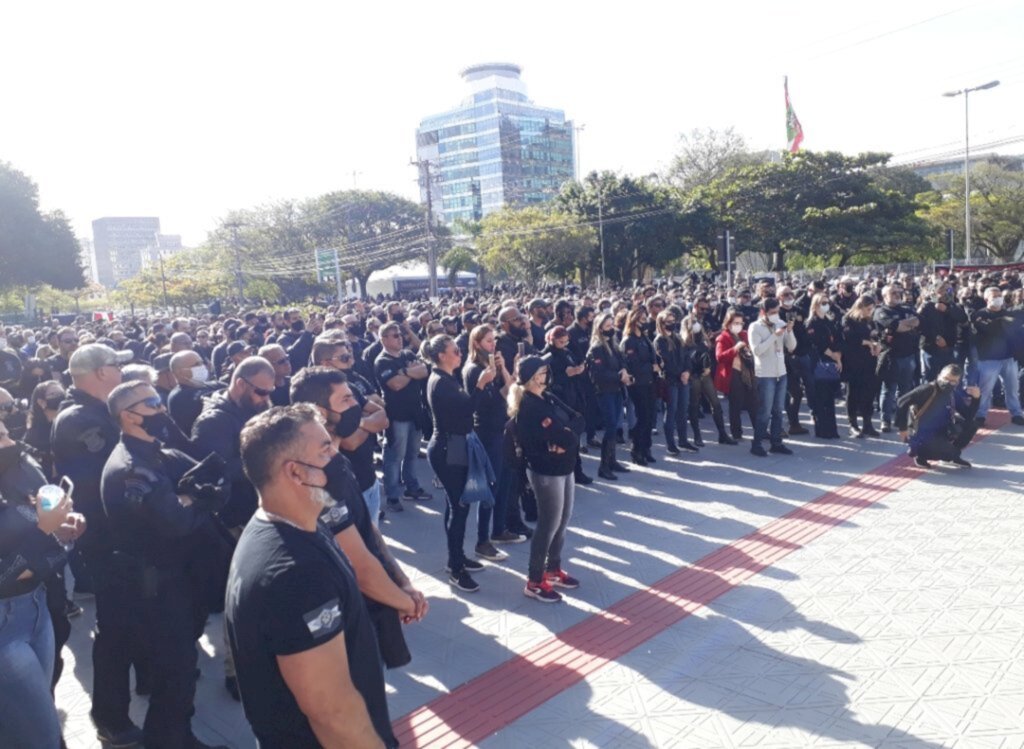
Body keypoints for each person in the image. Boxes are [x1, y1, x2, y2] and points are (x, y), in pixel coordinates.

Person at [226, 405, 397, 748]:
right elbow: (331, 711)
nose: (337, 454)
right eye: (325, 450)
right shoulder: (296, 575)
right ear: (295, 473)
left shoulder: (297, 522)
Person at [102, 382, 231, 749]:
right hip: (158, 585)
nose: (162, 409)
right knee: (175, 670)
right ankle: (170, 740)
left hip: (180, 577)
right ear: (129, 415)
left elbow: (215, 481)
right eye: (154, 403)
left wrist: (191, 497)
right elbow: (176, 521)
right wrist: (195, 498)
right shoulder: (131, 467)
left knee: (178, 664)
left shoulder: (158, 452)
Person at [288, 367, 427, 669]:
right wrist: (404, 599)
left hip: (370, 608)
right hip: (342, 617)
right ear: (319, 413)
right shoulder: (315, 477)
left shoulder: (338, 462)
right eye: (347, 400)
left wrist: (401, 580)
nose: (356, 406)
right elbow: (358, 562)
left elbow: (368, 531)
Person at [51, 343, 147, 747]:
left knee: (139, 618)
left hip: (127, 538)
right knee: (116, 629)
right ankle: (110, 718)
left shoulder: (96, 412)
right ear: (101, 373)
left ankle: (148, 675)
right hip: (108, 541)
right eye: (116, 366)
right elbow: (109, 480)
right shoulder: (80, 419)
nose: (122, 372)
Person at [191, 356, 275, 700]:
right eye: (260, 392)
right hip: (231, 522)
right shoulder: (213, 422)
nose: (266, 398)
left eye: (270, 392)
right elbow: (220, 471)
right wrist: (270, 456)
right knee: (239, 601)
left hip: (258, 513)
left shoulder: (250, 408)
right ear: (240, 383)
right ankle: (235, 673)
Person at [0, 460, 81, 749]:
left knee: (31, 718)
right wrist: (42, 533)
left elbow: (38, 555)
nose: (10, 441)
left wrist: (61, 531)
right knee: (42, 733)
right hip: (5, 632)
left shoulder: (14, 476)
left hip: (37, 607)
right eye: (1, 436)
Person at [424, 335, 496, 592]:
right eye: (455, 351)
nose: (460, 354)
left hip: (453, 444)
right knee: (460, 506)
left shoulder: (446, 377)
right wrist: (480, 385)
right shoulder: (441, 382)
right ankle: (456, 568)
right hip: (448, 448)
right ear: (441, 355)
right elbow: (467, 411)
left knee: (455, 505)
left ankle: (456, 557)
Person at [510, 356, 583, 603]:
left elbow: (578, 420)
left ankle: (552, 568)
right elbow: (556, 437)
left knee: (563, 520)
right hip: (546, 471)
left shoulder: (548, 397)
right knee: (548, 524)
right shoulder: (530, 405)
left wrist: (565, 436)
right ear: (531, 377)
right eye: (541, 372)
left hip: (565, 466)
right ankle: (534, 579)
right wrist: (564, 437)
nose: (546, 376)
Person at [464, 325, 524, 549]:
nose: (493, 345)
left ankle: (499, 529)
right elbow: (481, 403)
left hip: (502, 427)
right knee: (492, 485)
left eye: (494, 341)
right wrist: (486, 379)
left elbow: (508, 391)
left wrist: (508, 369)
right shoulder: (473, 369)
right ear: (477, 343)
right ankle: (483, 538)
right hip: (487, 431)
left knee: (506, 481)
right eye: (489, 341)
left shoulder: (491, 365)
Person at [375, 322, 432, 513]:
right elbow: (396, 384)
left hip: (415, 413)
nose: (400, 338)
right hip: (397, 415)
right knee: (394, 456)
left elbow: (424, 371)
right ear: (383, 339)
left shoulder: (408, 354)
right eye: (394, 335)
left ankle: (412, 487)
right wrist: (410, 372)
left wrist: (405, 372)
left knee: (412, 453)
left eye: (400, 334)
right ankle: (392, 496)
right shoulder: (382, 361)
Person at [896, 364, 981, 468]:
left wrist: (976, 399)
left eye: (952, 381)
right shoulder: (927, 389)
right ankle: (921, 456)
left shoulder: (952, 393)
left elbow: (968, 415)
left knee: (971, 425)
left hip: (941, 430)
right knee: (941, 448)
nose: (948, 383)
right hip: (922, 434)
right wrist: (902, 428)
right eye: (945, 378)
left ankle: (951, 456)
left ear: (958, 382)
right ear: (939, 375)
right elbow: (902, 402)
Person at [541, 325, 593, 483]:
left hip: (572, 397)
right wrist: (565, 375)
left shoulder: (567, 351)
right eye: (560, 341)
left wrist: (579, 369)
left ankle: (576, 471)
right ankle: (568, 472)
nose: (564, 343)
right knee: (564, 438)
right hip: (559, 399)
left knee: (573, 438)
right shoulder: (547, 356)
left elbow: (576, 362)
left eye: (565, 340)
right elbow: (548, 379)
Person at [748, 298, 796, 457]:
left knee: (778, 410)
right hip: (765, 374)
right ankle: (757, 443)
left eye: (777, 311)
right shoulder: (755, 327)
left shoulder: (780, 322)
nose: (776, 315)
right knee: (765, 411)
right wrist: (774, 336)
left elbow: (791, 347)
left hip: (781, 373)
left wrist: (789, 331)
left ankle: (776, 442)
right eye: (772, 312)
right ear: (764, 312)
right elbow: (757, 351)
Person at [587, 312, 631, 481]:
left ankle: (612, 460)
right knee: (611, 426)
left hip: (616, 390)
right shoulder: (597, 348)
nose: (611, 329)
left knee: (615, 425)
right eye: (607, 326)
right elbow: (598, 374)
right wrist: (618, 376)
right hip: (604, 391)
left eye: (612, 325)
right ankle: (604, 466)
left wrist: (625, 372)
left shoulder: (614, 345)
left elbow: (622, 362)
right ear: (599, 329)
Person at [971, 287, 1024, 427]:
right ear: (986, 299)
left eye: (1000, 295)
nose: (998, 298)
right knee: (985, 390)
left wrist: (1001, 322)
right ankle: (980, 415)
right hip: (988, 359)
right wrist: (1002, 322)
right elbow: (989, 329)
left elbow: (1014, 325)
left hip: (1009, 358)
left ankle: (1016, 413)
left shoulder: (1007, 312)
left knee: (1012, 387)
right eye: (994, 296)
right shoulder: (980, 314)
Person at [682, 312, 735, 447]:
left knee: (716, 403)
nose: (696, 325)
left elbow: (708, 354)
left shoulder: (702, 338)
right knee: (694, 405)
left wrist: (708, 366)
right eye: (693, 323)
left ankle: (722, 433)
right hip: (694, 375)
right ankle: (697, 435)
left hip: (705, 375)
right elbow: (686, 359)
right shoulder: (684, 342)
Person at [874, 285, 920, 432]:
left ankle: (901, 419)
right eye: (892, 293)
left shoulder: (906, 308)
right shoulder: (881, 311)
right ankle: (885, 421)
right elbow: (896, 326)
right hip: (891, 356)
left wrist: (903, 325)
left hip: (909, 355)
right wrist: (906, 325)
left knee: (905, 391)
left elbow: (918, 321)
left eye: (898, 292)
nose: (897, 295)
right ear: (884, 296)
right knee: (888, 390)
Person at [655, 309, 698, 454]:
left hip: (682, 379)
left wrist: (687, 371)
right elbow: (666, 362)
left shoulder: (678, 338)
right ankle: (670, 444)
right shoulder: (659, 340)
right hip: (670, 380)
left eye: (673, 321)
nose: (672, 324)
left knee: (682, 411)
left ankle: (683, 441)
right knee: (671, 411)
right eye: (668, 322)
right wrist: (680, 374)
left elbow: (686, 357)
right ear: (661, 323)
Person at [620, 307, 658, 466]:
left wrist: (657, 364)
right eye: (641, 318)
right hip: (638, 384)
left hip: (650, 382)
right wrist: (651, 367)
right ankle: (637, 450)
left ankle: (646, 448)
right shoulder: (628, 341)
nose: (645, 321)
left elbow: (651, 357)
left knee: (650, 417)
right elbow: (632, 365)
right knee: (642, 417)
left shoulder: (645, 338)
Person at [841, 295, 882, 437]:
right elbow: (849, 337)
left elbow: (876, 335)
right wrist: (867, 343)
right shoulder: (848, 319)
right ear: (861, 307)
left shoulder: (869, 321)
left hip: (869, 361)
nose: (870, 311)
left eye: (872, 309)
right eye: (868, 309)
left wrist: (876, 344)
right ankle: (853, 424)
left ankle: (867, 423)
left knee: (868, 392)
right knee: (853, 393)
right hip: (853, 361)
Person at [805, 293, 842, 439]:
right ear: (815, 305)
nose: (826, 305)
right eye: (822, 303)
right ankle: (822, 430)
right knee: (821, 398)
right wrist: (832, 354)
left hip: (831, 361)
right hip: (818, 362)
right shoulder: (811, 323)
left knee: (830, 398)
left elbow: (836, 338)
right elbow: (816, 343)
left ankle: (832, 429)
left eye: (827, 302)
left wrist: (837, 355)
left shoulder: (828, 320)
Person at [715, 310, 756, 442]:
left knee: (754, 402)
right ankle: (736, 432)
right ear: (728, 323)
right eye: (735, 323)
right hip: (733, 372)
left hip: (747, 372)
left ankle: (759, 429)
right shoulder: (723, 337)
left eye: (740, 323)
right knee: (736, 404)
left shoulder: (744, 334)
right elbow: (719, 357)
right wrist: (735, 349)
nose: (738, 325)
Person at [167, 350, 221, 435]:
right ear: (179, 372)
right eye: (196, 364)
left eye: (201, 363)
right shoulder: (179, 397)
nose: (202, 366)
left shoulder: (211, 384)